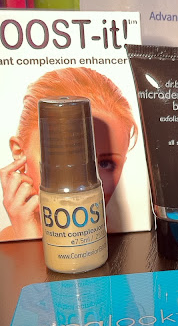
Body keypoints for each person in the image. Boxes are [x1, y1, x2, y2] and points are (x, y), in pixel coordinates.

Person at [0, 67, 138, 241]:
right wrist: (28, 237)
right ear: (19, 154)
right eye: (60, 158)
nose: (84, 180)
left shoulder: (128, 242)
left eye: (105, 164)